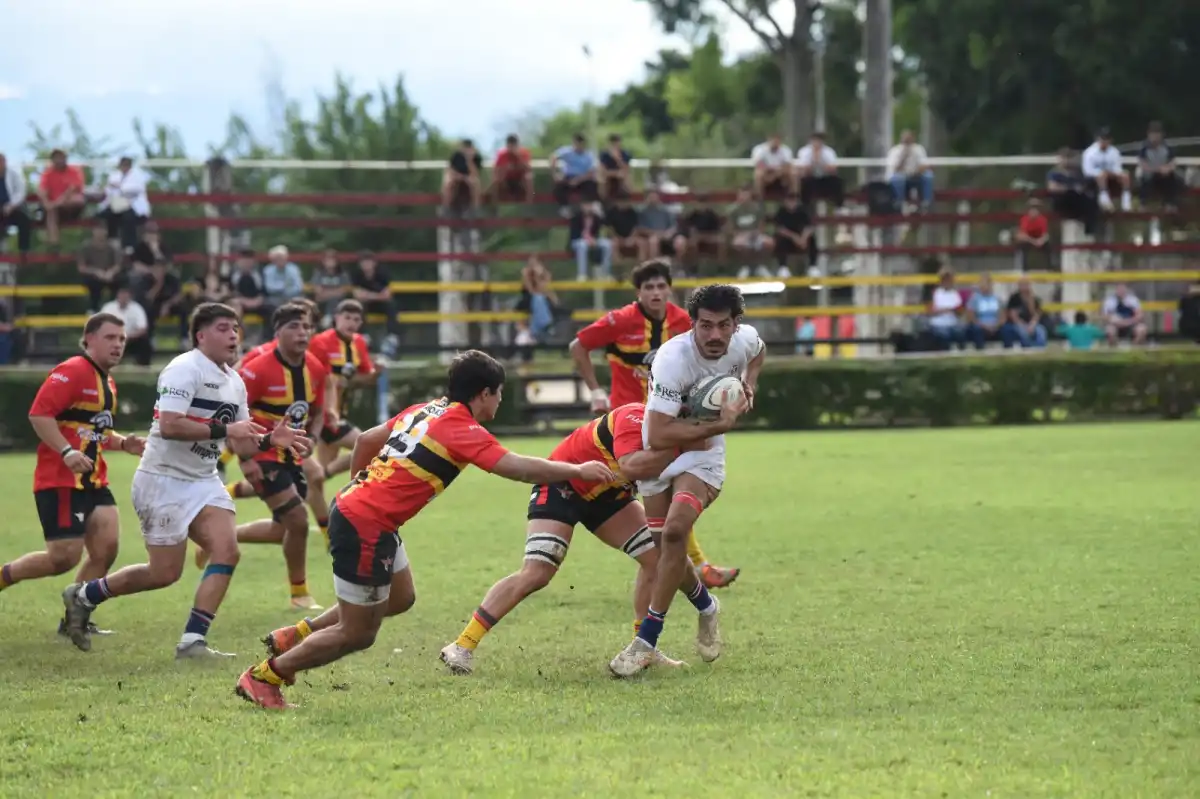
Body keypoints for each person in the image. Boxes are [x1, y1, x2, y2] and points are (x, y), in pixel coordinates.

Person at [235, 350, 617, 710]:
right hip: (366, 522)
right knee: (358, 632)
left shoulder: (426, 409)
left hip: (367, 515)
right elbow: (517, 468)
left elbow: (366, 440)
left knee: (400, 596)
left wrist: (359, 487)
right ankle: (266, 676)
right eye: (498, 393)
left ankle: (297, 633)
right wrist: (577, 470)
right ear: (484, 394)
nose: (500, 401)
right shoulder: (460, 426)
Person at [61, 303, 310, 657]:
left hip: (203, 479)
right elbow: (170, 425)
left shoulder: (234, 382)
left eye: (235, 328)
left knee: (227, 550)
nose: (233, 335)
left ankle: (193, 641)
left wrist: (271, 440)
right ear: (201, 335)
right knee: (163, 573)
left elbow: (241, 442)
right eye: (223, 328)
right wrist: (227, 430)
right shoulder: (184, 368)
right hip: (162, 479)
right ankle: (85, 595)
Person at [440, 402, 717, 675]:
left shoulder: (681, 440)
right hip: (562, 484)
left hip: (608, 495)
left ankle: (643, 648)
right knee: (537, 573)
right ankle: (462, 644)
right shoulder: (636, 417)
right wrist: (681, 447)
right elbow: (631, 466)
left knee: (657, 558)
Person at [608, 284, 761, 677]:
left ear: (736, 324)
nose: (714, 334)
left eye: (723, 325)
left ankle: (645, 642)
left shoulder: (743, 341)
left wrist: (750, 385)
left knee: (676, 531)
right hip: (660, 453)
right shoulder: (673, 359)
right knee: (663, 554)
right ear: (692, 323)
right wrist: (720, 424)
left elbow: (759, 351)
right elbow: (659, 433)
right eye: (705, 325)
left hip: (702, 455)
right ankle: (708, 607)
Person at [568, 260, 740, 589]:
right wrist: (595, 391)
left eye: (661, 286)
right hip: (629, 424)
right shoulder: (620, 320)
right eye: (649, 287)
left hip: (669, 422)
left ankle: (690, 568)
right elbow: (579, 346)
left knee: (673, 495)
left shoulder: (685, 321)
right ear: (639, 293)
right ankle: (690, 568)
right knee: (652, 495)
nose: (656, 293)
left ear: (670, 289)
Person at [0, 314, 145, 641]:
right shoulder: (73, 370)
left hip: (94, 480)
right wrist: (66, 452)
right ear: (89, 339)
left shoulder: (107, 382)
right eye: (110, 337)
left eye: (122, 339)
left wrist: (124, 443)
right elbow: (39, 414)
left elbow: (94, 432)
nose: (118, 344)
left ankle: (74, 620)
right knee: (62, 558)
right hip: (61, 480)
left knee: (106, 549)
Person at [205, 305, 328, 609]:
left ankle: (217, 538)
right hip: (260, 452)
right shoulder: (257, 369)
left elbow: (319, 411)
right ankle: (300, 594)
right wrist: (245, 459)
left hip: (291, 456)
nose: (302, 333)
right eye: (294, 327)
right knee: (298, 520)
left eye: (306, 327)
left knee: (283, 529)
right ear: (278, 332)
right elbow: (230, 413)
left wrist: (312, 438)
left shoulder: (315, 367)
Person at [308, 299, 377, 480]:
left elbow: (365, 377)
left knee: (316, 479)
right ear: (336, 318)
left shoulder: (359, 343)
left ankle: (242, 490)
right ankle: (343, 486)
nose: (351, 323)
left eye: (356, 319)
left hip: (340, 412)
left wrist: (375, 373)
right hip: (325, 415)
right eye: (347, 318)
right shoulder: (320, 342)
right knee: (371, 448)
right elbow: (311, 376)